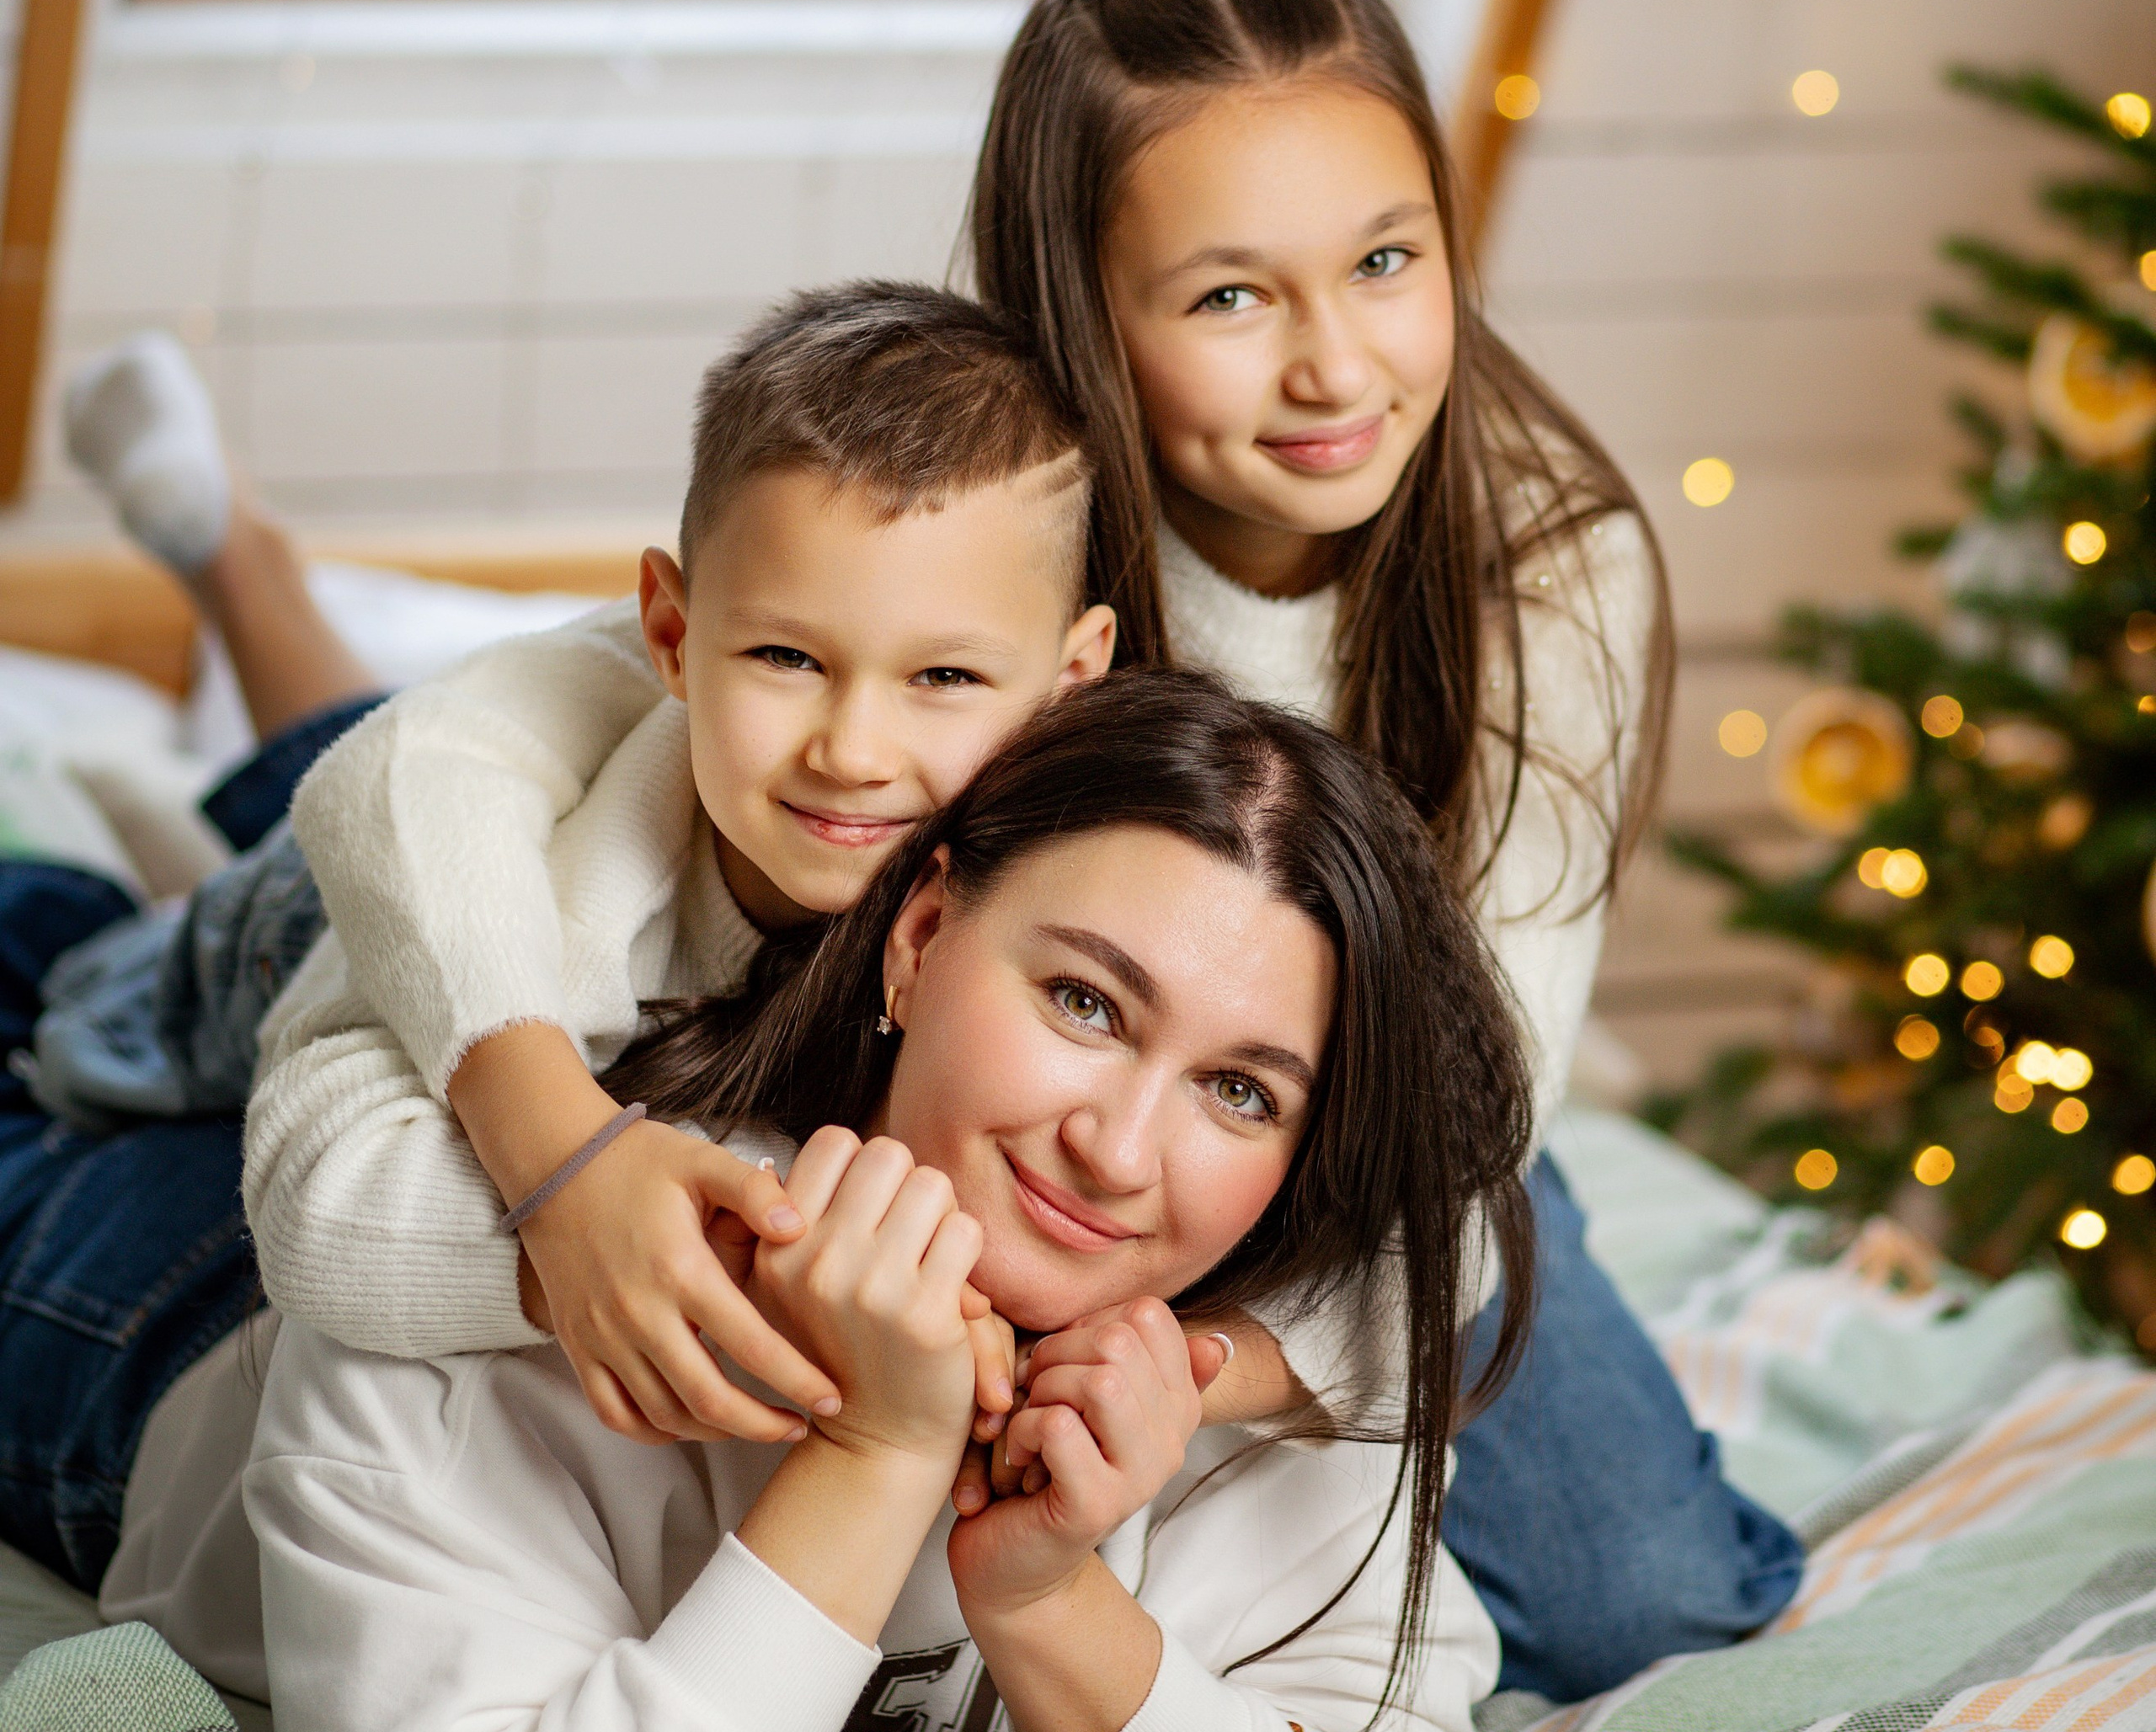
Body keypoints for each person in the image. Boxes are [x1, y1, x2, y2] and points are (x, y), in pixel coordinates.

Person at [245, 0, 1803, 1692]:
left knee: (1641, 1591)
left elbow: (1474, 1132)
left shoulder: (1546, 571)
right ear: (1086, 308)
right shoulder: (965, 552)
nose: (1330, 364)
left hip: (1346, 1117)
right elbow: (426, 772)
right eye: (1226, 293)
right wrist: (564, 1163)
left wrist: (1172, 1362)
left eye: (1385, 259)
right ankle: (238, 608)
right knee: (252, 950)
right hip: (717, 946)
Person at [0, 283, 1118, 1623]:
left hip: (453, 803)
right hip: (271, 951)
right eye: (783, 657)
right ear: (669, 631)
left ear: (1073, 678)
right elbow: (382, 817)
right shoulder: (576, 894)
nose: (854, 751)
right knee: (70, 992)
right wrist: (591, 1186)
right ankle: (218, 591)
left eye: (943, 679)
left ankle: (234, 555)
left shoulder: (1081, 853)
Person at [247, 668, 1538, 1732]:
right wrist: (875, 1458)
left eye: (1242, 1093)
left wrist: (1049, 1606)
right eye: (1083, 1002)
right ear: (918, 941)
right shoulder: (500, 1292)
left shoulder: (1305, 1384)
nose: (1118, 1151)